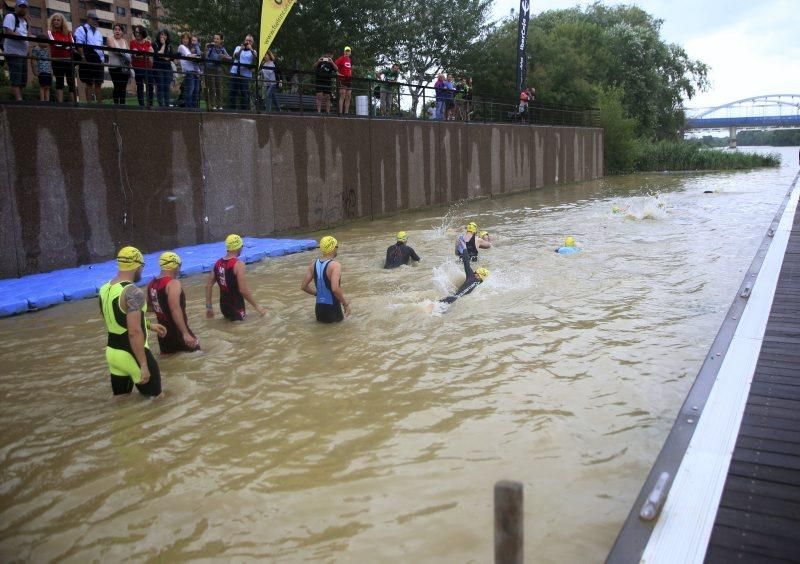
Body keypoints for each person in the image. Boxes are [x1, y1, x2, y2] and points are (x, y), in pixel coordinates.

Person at [99, 246, 167, 398]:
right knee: (158, 402)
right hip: (133, 354)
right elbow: (134, 331)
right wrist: (143, 364)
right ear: (136, 266)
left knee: (121, 402)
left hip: (113, 353)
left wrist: (149, 325)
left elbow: (112, 318)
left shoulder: (104, 289)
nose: (142, 271)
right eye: (142, 267)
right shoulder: (133, 292)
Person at [147, 252, 200, 354]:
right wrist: (185, 333)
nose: (179, 270)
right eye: (179, 266)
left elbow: (149, 307)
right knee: (200, 357)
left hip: (163, 334)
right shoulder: (173, 283)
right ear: (175, 265)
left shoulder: (151, 284)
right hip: (178, 332)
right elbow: (174, 308)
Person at [205, 234, 266, 321]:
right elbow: (243, 290)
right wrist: (258, 307)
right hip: (237, 306)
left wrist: (209, 307)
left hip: (223, 306)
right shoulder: (238, 264)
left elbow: (208, 286)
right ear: (238, 247)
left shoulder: (218, 263)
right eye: (241, 246)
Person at [300, 235, 351, 323]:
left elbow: (304, 286)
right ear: (333, 248)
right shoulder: (335, 265)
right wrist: (345, 304)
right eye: (337, 246)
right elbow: (335, 289)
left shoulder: (312, 265)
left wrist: (317, 294)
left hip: (319, 309)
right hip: (332, 309)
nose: (337, 249)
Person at [74, 11, 104, 104]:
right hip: (88, 57)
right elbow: (79, 44)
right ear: (88, 19)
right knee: (89, 82)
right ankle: (89, 104)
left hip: (99, 60)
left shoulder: (99, 33)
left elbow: (101, 47)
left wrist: (102, 60)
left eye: (96, 19)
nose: (95, 21)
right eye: (94, 19)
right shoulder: (81, 29)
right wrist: (83, 57)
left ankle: (100, 104)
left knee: (99, 82)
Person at [3, 0, 29, 102]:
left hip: (23, 53)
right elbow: (8, 31)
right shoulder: (10, 16)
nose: (22, 8)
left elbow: (26, 35)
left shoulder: (25, 21)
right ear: (16, 7)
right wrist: (24, 38)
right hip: (13, 52)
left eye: (24, 7)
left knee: (23, 79)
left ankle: (20, 99)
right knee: (16, 77)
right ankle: (19, 100)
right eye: (20, 6)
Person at [47, 12, 76, 104]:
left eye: (58, 20)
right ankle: (60, 104)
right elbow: (55, 44)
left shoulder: (68, 33)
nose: (56, 21)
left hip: (68, 60)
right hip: (57, 60)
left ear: (62, 21)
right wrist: (66, 46)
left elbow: (73, 45)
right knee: (59, 82)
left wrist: (65, 46)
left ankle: (74, 103)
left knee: (71, 82)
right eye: (54, 20)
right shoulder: (50, 32)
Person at [229, 34, 257, 111]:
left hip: (245, 75)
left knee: (244, 94)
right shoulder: (238, 47)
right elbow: (234, 56)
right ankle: (232, 110)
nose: (248, 42)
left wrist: (251, 49)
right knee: (232, 92)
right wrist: (241, 49)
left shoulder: (253, 51)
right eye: (246, 40)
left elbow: (256, 59)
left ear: (252, 43)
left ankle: (243, 110)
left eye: (250, 41)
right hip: (235, 72)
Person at [130, 25, 154, 107]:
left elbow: (151, 54)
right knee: (140, 86)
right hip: (138, 68)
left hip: (148, 67)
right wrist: (145, 55)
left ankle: (150, 104)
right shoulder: (132, 42)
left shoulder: (148, 43)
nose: (137, 34)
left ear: (142, 33)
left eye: (139, 32)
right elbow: (136, 54)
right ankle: (141, 105)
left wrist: (143, 55)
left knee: (150, 86)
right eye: (136, 32)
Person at [204, 33, 230, 110]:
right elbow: (205, 56)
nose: (215, 40)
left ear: (221, 40)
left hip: (218, 70)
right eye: (214, 38)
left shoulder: (222, 49)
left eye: (217, 39)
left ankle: (220, 105)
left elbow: (229, 57)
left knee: (219, 88)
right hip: (210, 69)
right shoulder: (210, 47)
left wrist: (224, 56)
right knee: (212, 88)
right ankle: (213, 105)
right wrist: (206, 48)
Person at [107, 24, 130, 105]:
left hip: (124, 67)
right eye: (115, 29)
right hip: (114, 67)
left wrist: (124, 55)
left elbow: (129, 54)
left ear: (122, 32)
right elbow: (114, 49)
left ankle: (123, 105)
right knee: (117, 86)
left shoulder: (125, 41)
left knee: (123, 87)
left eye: (119, 30)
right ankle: (116, 105)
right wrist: (124, 54)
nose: (117, 31)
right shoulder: (110, 38)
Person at [177, 31, 200, 108]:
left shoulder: (189, 48)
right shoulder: (181, 47)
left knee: (196, 91)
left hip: (196, 72)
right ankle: (189, 108)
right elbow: (189, 56)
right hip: (189, 71)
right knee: (190, 90)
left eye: (187, 38)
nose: (185, 40)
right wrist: (197, 57)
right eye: (183, 38)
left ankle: (193, 107)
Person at [152, 29, 174, 108]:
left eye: (165, 35)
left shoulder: (169, 45)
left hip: (167, 68)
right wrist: (163, 45)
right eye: (161, 34)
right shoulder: (155, 44)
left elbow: (171, 57)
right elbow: (158, 54)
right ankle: (161, 105)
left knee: (166, 87)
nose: (163, 36)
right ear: (159, 35)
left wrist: (164, 57)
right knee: (160, 86)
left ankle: (167, 104)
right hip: (158, 67)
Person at [29, 36, 51, 102]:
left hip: (48, 70)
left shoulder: (47, 49)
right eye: (46, 42)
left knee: (48, 86)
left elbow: (50, 60)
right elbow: (32, 60)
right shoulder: (36, 49)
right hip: (41, 70)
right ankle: (42, 100)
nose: (47, 44)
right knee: (42, 86)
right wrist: (34, 70)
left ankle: (47, 101)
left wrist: (51, 70)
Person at [335, 46, 353, 115]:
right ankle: (340, 112)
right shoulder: (341, 58)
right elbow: (334, 65)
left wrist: (350, 74)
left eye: (348, 51)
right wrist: (338, 73)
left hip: (349, 79)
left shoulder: (349, 59)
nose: (347, 52)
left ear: (350, 52)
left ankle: (346, 113)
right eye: (346, 51)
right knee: (342, 95)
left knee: (348, 96)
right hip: (342, 79)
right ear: (344, 51)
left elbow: (349, 69)